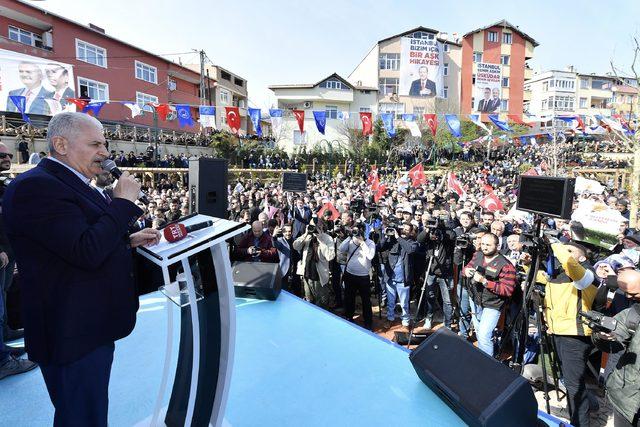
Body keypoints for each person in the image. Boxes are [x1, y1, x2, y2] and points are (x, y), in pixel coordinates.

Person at [2, 112, 161, 424]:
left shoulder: (74, 183)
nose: (105, 152)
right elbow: (85, 251)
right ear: (61, 144)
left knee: (87, 412)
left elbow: (72, 244)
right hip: (71, 329)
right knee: (82, 417)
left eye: (104, 144)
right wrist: (123, 203)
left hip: (89, 323)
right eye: (95, 144)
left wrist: (126, 241)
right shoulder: (36, 187)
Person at [523, 241, 598, 427]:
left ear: (582, 257)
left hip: (576, 335)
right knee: (571, 379)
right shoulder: (558, 274)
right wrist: (527, 263)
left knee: (574, 384)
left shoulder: (588, 274)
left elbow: (573, 268)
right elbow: (538, 276)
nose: (565, 253)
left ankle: (580, 423)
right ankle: (590, 405)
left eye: (571, 251)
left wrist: (558, 246)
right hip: (556, 331)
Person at [593, 269, 640, 427]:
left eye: (633, 294)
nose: (628, 297)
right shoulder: (632, 314)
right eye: (626, 293)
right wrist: (601, 336)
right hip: (626, 399)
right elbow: (615, 334)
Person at [464, 233, 516, 356]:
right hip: (475, 299)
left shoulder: (506, 265)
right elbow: (467, 267)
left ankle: (487, 365)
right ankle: (486, 354)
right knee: (479, 332)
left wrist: (485, 282)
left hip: (493, 304)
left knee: (483, 335)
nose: (484, 247)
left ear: (497, 246)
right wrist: (466, 271)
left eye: (488, 245)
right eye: (482, 244)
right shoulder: (478, 255)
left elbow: (507, 290)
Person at [378, 223, 419, 328]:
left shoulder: (413, 243)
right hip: (391, 277)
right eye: (403, 229)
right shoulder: (392, 241)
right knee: (390, 302)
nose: (404, 231)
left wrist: (398, 237)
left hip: (403, 279)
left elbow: (409, 250)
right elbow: (379, 248)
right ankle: (390, 318)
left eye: (407, 230)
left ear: (411, 232)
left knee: (404, 303)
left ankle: (405, 321)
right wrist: (386, 236)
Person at [339, 224, 376, 330]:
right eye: (355, 231)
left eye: (358, 231)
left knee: (366, 301)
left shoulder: (370, 243)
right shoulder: (351, 240)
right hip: (350, 274)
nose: (357, 233)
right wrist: (349, 236)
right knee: (349, 298)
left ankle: (368, 322)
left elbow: (370, 256)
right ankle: (349, 317)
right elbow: (341, 249)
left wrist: (362, 243)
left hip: (363, 276)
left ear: (364, 232)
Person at [293, 219, 335, 308]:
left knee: (321, 302)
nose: (314, 228)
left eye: (317, 226)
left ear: (322, 226)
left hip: (320, 276)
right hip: (307, 273)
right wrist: (305, 234)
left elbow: (330, 256)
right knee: (309, 301)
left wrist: (320, 239)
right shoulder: (307, 237)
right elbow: (296, 246)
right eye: (312, 226)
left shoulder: (327, 238)